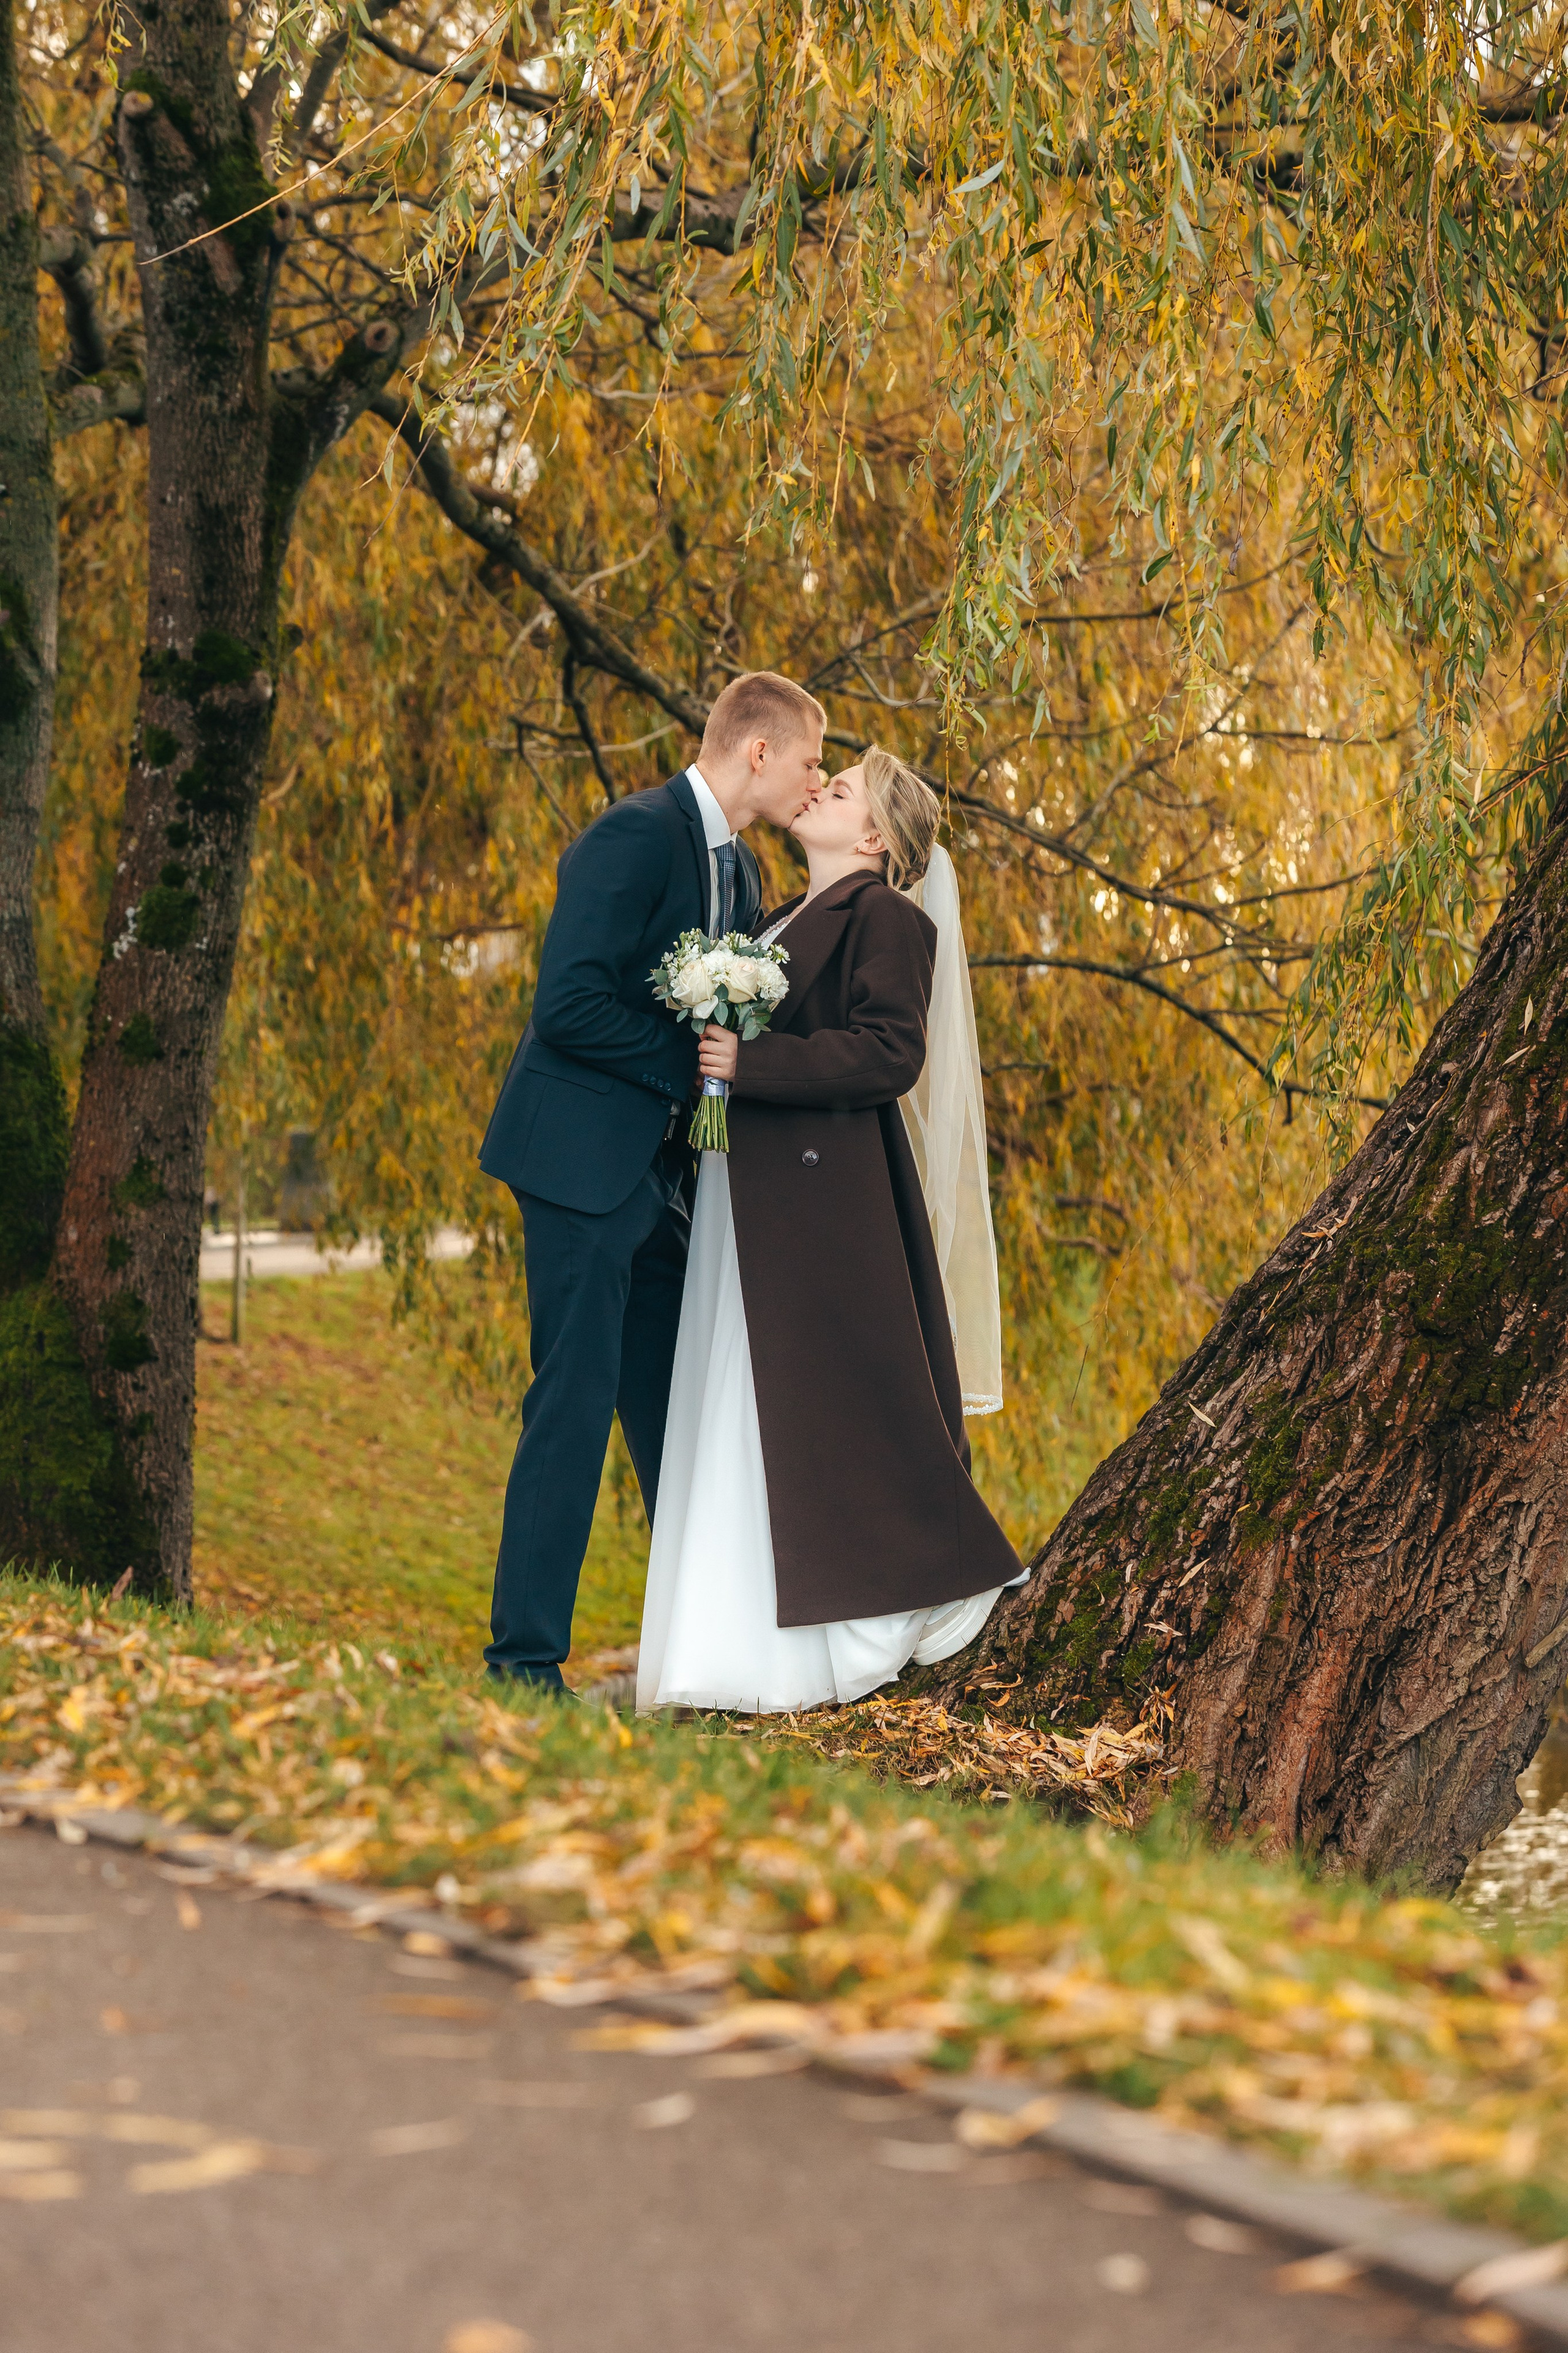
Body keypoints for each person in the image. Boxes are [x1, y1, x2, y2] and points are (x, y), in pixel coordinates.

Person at [636, 746, 1024, 1714]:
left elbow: (890, 1053)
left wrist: (746, 1067)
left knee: (824, 1413)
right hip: (755, 1199)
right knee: (746, 1402)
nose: (820, 789)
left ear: (875, 838)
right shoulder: (777, 920)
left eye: (841, 788)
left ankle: (871, 1614)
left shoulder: (885, 916)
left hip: (829, 1208)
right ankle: (729, 1644)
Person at [477, 673, 827, 1688]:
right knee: (573, 1406)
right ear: (758, 751)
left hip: (661, 1185)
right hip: (579, 1166)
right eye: (811, 759)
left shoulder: (746, 874)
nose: (815, 779)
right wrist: (694, 1071)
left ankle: (711, 1663)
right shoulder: (633, 836)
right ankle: (523, 1664)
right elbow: (566, 1005)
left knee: (683, 1428)